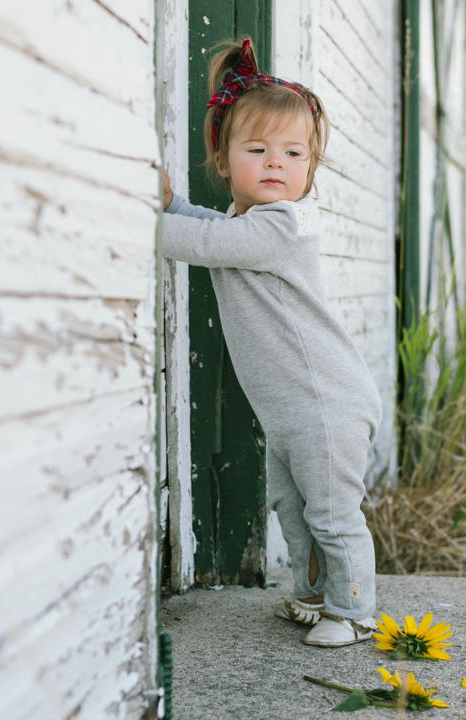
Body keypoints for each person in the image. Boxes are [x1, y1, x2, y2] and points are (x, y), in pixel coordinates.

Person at [161, 37, 382, 647]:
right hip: (291, 409)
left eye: (293, 153)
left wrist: (145, 221)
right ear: (223, 160)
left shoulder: (282, 224)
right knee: (294, 508)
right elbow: (215, 228)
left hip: (328, 403)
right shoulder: (247, 224)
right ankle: (314, 596)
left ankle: (355, 611)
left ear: (310, 166)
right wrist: (175, 205)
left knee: (332, 513)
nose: (275, 164)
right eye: (257, 150)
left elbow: (206, 244)